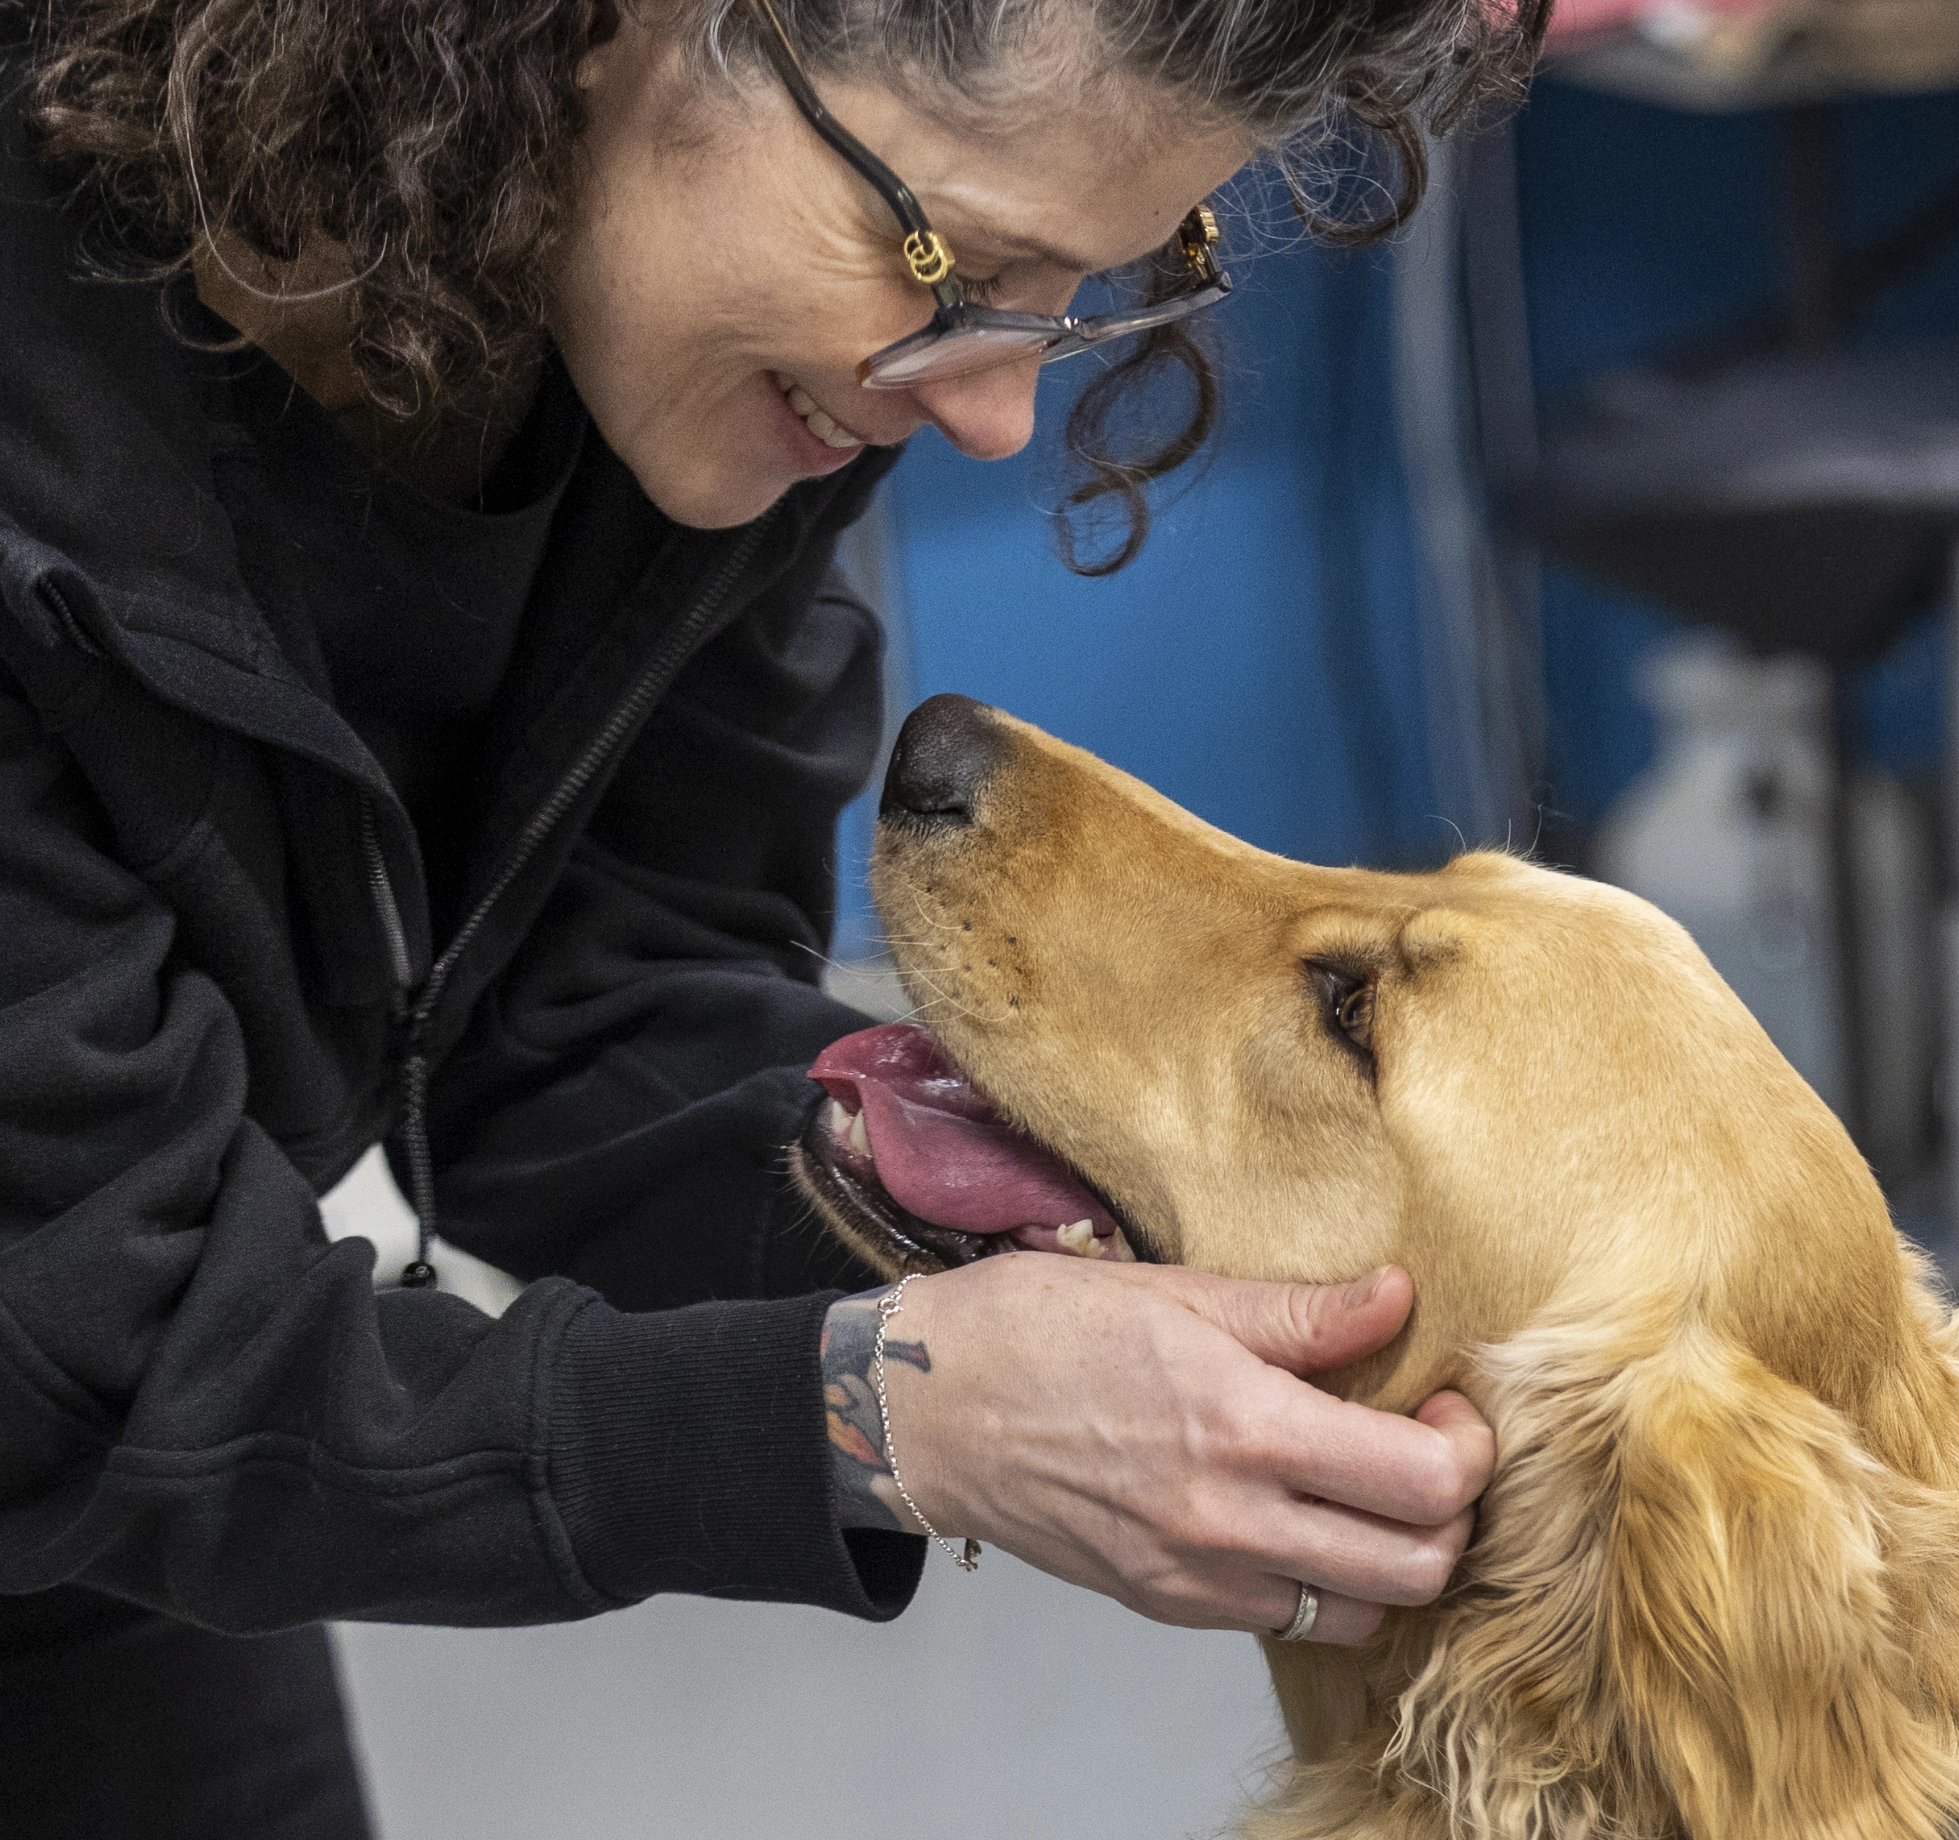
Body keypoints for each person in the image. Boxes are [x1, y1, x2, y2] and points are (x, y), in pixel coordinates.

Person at [0, 1, 1546, 1832]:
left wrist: (1028, 1233)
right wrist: (885, 1416)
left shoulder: (667, 327)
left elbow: (586, 1015)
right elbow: (99, 1352)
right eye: (959, 264)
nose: (992, 414)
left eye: (1078, 295)